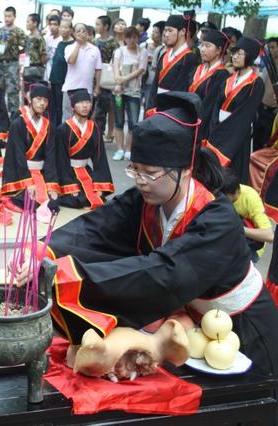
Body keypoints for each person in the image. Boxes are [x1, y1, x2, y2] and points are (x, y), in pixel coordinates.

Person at [23, 91, 278, 378]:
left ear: (184, 170)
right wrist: (43, 253)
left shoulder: (217, 220)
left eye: (150, 173)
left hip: (244, 329)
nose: (141, 182)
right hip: (190, 327)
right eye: (135, 171)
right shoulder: (146, 199)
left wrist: (72, 276)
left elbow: (164, 272)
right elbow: (94, 228)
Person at [205, 37, 264, 183]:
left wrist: (222, 137)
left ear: (250, 56)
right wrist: (213, 130)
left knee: (229, 177)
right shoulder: (228, 79)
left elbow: (243, 116)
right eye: (234, 53)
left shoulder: (256, 83)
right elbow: (215, 108)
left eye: (240, 53)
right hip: (217, 130)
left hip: (236, 137)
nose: (235, 57)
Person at [45, 89, 113, 209]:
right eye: (81, 102)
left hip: (86, 170)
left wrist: (100, 184)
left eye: (87, 102)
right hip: (68, 172)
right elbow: (60, 160)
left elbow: (99, 158)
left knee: (97, 196)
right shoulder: (63, 129)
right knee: (74, 200)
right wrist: (69, 184)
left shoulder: (94, 127)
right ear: (72, 107)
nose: (85, 106)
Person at [2, 82, 53, 210]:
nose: (42, 103)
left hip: (41, 174)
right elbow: (17, 156)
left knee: (53, 203)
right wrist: (28, 182)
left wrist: (52, 184)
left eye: (45, 100)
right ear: (30, 99)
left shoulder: (48, 125)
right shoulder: (18, 124)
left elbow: (51, 156)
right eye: (39, 99)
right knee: (30, 202)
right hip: (21, 174)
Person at [146, 14, 198, 111]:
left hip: (172, 109)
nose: (166, 34)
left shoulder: (190, 58)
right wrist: (150, 108)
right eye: (165, 31)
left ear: (182, 31)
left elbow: (180, 89)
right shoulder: (164, 54)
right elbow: (154, 86)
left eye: (170, 30)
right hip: (156, 106)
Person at [221, 168, 274, 263]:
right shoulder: (221, 192)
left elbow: (269, 236)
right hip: (231, 240)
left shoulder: (250, 198)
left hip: (251, 247)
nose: (221, 198)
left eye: (225, 196)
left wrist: (239, 228)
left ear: (236, 192)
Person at [111, 26, 148, 161]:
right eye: (129, 37)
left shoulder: (142, 52)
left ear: (138, 37)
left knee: (133, 122)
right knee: (119, 121)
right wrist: (118, 80)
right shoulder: (119, 51)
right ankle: (120, 149)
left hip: (134, 91)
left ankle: (128, 149)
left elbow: (141, 69)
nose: (132, 40)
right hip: (119, 90)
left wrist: (124, 79)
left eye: (134, 37)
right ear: (125, 38)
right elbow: (115, 67)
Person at [188, 29, 230, 138]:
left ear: (219, 50)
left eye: (207, 46)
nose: (202, 49)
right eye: (202, 45)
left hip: (203, 124)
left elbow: (210, 104)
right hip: (187, 118)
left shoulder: (222, 74)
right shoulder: (197, 69)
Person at [62, 23, 102, 121]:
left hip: (87, 89)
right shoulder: (69, 48)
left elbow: (98, 69)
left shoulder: (94, 49)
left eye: (83, 30)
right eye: (78, 31)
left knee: (85, 118)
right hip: (70, 88)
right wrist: (78, 45)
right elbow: (71, 61)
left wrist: (97, 87)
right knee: (68, 118)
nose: (81, 33)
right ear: (74, 34)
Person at [0, 6, 27, 115]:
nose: (7, 18)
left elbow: (25, 45)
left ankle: (14, 116)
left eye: (9, 16)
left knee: (12, 91)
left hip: (12, 64)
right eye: (6, 16)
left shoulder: (19, 31)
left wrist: (17, 53)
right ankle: (0, 115)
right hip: (0, 64)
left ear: (14, 17)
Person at [93, 16, 120, 141]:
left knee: (102, 108)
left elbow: (115, 61)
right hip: (93, 77)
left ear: (106, 26)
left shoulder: (113, 43)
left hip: (105, 78)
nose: (96, 26)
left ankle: (99, 134)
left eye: (99, 24)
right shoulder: (95, 41)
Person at [253, 37, 278, 152]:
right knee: (256, 142)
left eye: (273, 47)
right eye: (269, 48)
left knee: (267, 144)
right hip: (261, 109)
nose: (271, 50)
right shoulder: (266, 65)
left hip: (273, 113)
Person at [49, 20, 74, 125]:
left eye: (65, 27)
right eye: (61, 27)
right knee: (53, 108)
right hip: (54, 80)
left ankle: (60, 130)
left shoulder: (73, 44)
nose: (62, 30)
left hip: (64, 81)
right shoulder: (60, 43)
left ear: (71, 30)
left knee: (61, 108)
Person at [142, 20, 165, 108]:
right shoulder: (144, 46)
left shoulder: (161, 50)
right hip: (141, 80)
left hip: (152, 81)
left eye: (156, 32)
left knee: (148, 106)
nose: (153, 34)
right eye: (153, 31)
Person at [22, 13, 46, 87]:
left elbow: (43, 55)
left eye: (28, 22)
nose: (26, 24)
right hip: (27, 67)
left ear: (35, 23)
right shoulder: (28, 37)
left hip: (36, 69)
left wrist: (39, 66)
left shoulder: (39, 38)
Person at [43, 14, 62, 82]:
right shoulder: (47, 39)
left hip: (58, 74)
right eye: (50, 24)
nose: (52, 27)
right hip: (47, 72)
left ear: (59, 26)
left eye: (55, 24)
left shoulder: (62, 40)